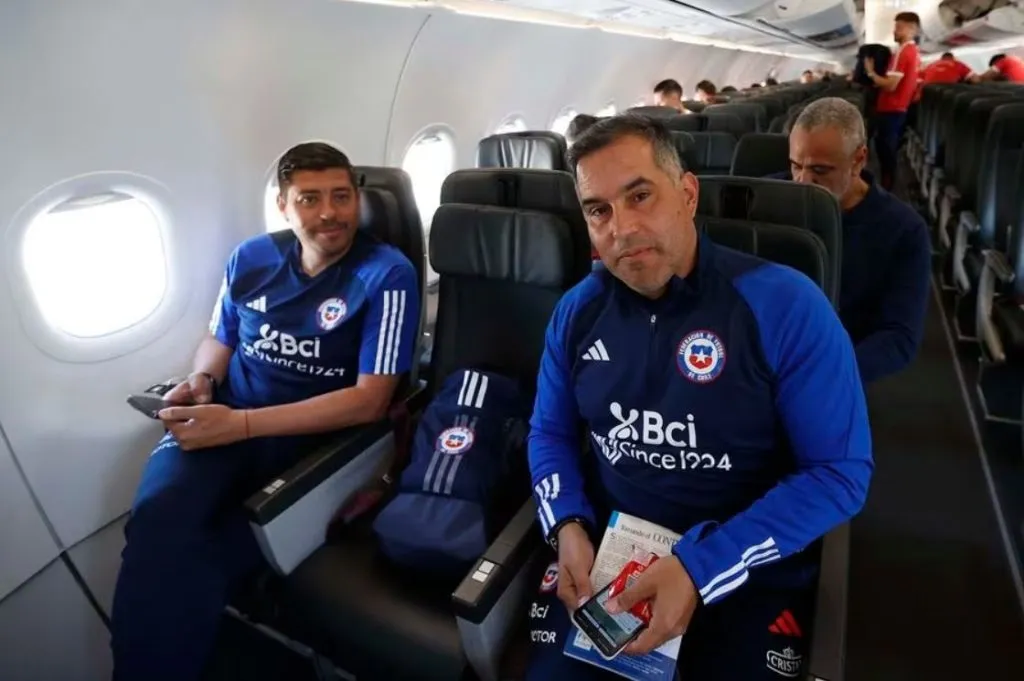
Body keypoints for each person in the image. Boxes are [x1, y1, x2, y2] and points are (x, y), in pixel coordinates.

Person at [524, 114, 873, 680]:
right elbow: (551, 432)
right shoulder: (578, 312)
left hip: (746, 564)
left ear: (687, 194)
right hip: (613, 562)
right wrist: (566, 524)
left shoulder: (784, 306)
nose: (622, 228)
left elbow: (839, 474)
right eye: (599, 210)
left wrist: (698, 567)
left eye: (640, 196)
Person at [109, 142, 421, 681]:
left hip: (309, 441)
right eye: (310, 199)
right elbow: (219, 337)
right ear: (283, 205)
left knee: (201, 564)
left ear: (358, 201)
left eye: (341, 197)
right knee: (154, 523)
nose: (329, 213)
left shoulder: (385, 275)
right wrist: (203, 379)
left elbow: (371, 399)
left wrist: (242, 425)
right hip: (225, 420)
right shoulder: (250, 258)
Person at [782, 97, 931, 384]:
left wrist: (829, 371)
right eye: (795, 166)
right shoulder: (767, 199)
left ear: (858, 160)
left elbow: (899, 337)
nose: (802, 181)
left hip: (838, 370)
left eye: (820, 170)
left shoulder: (903, 230)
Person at [863, 11, 922, 190]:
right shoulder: (913, 51)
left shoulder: (904, 51)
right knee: (886, 149)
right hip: (897, 109)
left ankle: (886, 189)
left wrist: (871, 72)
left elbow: (890, 86)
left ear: (912, 29)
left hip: (891, 109)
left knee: (885, 151)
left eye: (899, 27)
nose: (894, 31)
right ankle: (887, 186)